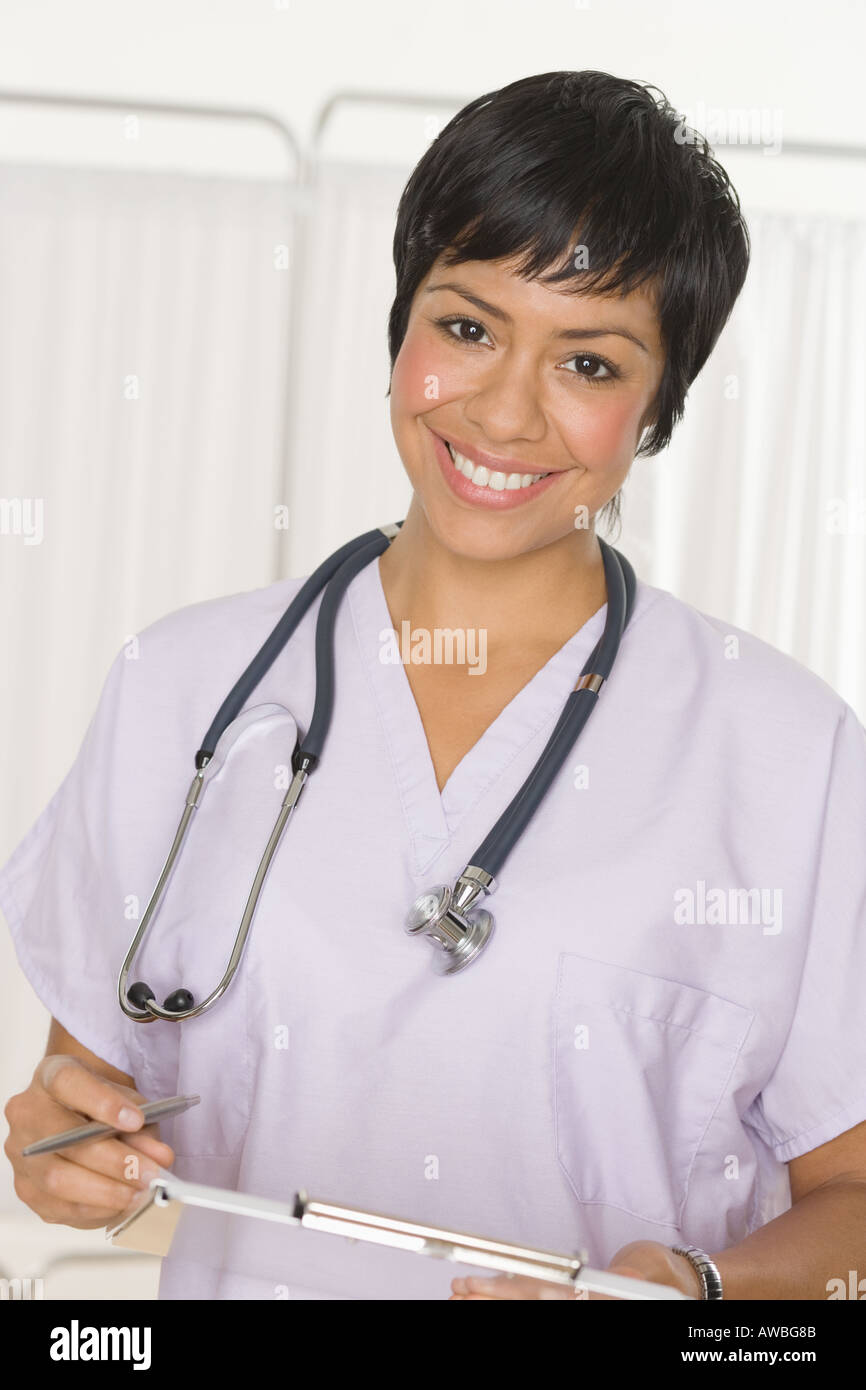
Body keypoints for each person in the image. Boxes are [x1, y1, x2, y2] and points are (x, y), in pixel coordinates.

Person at [3, 70, 865, 1302]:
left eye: (588, 360)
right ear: (400, 324)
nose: (504, 410)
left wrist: (694, 1294)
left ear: (656, 409)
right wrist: (66, 1150)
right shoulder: (180, 689)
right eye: (465, 327)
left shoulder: (787, 753)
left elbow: (856, 1200)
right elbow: (67, 1125)